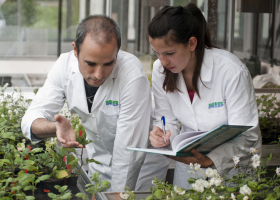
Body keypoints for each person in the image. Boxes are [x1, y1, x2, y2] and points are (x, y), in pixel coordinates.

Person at [21, 15, 152, 192]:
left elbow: (129, 153)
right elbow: (31, 118)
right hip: (98, 164)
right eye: (90, 63)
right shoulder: (64, 66)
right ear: (75, 50)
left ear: (118, 51)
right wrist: (54, 128)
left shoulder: (132, 75)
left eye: (108, 64)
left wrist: (120, 195)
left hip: (139, 167)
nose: (98, 74)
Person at [140, 3, 261, 189]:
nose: (163, 61)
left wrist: (211, 160)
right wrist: (162, 134)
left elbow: (248, 135)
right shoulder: (160, 70)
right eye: (157, 53)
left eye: (170, 53)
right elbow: (166, 119)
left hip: (232, 169)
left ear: (192, 43)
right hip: (190, 168)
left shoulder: (231, 71)